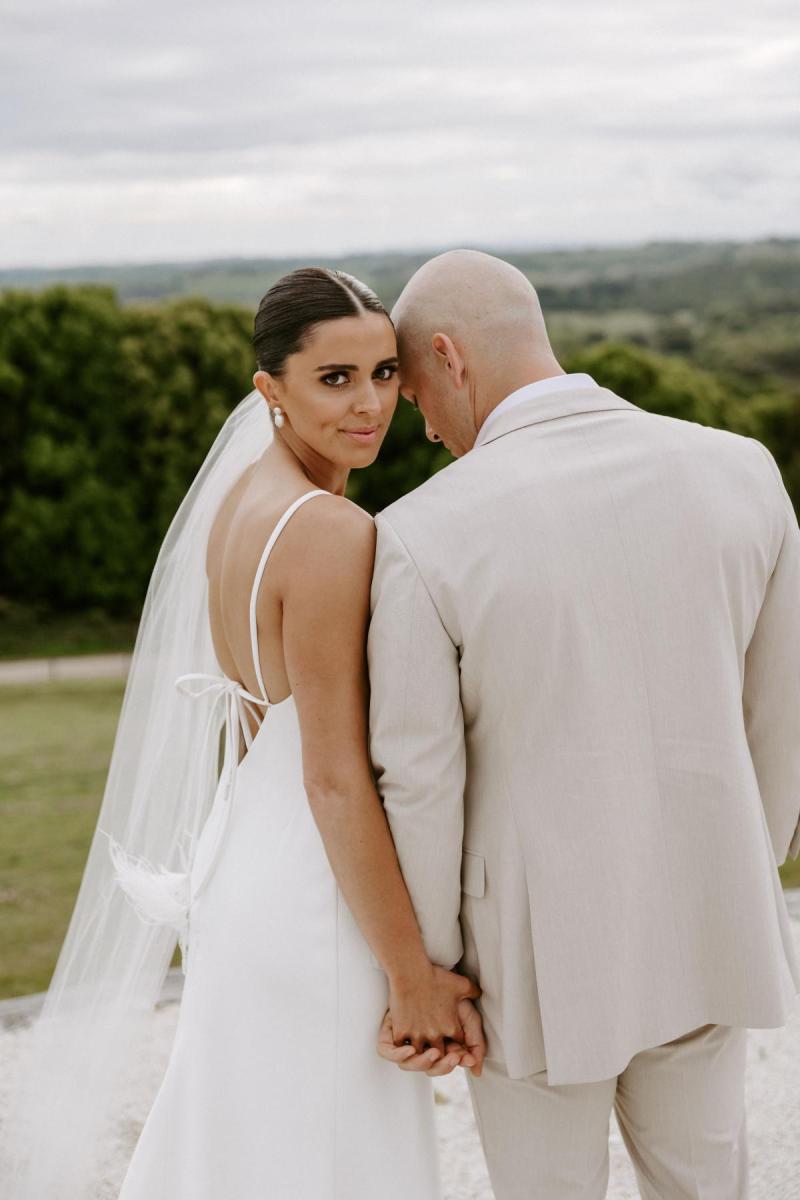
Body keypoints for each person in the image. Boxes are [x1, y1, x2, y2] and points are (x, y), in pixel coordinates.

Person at [3, 266, 485, 1200]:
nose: (370, 403)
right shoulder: (328, 531)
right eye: (334, 379)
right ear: (271, 389)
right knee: (333, 1159)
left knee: (256, 1149)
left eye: (385, 373)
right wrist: (412, 976)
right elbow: (335, 778)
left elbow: (250, 722)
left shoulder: (240, 508)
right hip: (315, 894)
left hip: (248, 874)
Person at [368, 248, 800, 1199]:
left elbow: (421, 782)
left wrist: (436, 972)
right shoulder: (744, 472)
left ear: (448, 356)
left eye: (416, 399)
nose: (428, 431)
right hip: (708, 913)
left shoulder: (419, 532)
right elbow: (779, 720)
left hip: (528, 960)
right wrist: (735, 866)